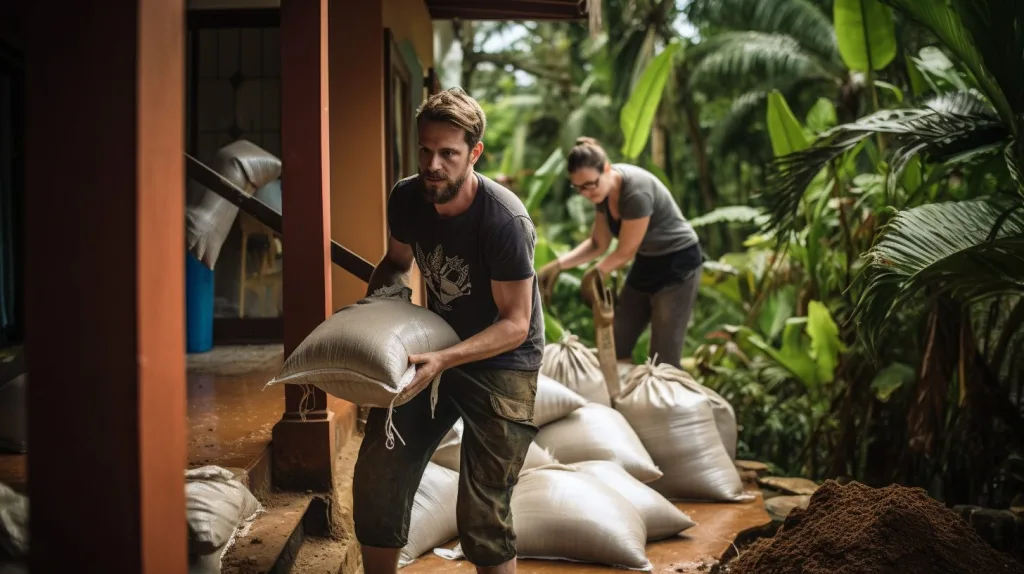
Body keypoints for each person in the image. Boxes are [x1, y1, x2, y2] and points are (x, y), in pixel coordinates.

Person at [353, 87, 544, 574]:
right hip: (430, 347)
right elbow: (395, 265)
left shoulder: (503, 221)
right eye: (424, 149)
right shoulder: (407, 198)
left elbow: (515, 325)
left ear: (474, 153)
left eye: (448, 153)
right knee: (379, 475)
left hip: (502, 363)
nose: (432, 164)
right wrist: (374, 321)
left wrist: (446, 359)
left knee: (483, 516)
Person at [537, 136, 703, 370]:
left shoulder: (635, 193)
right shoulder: (601, 193)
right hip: (647, 263)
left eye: (590, 184)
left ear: (606, 169)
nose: (586, 193)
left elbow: (626, 251)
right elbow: (597, 244)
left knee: (664, 358)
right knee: (615, 345)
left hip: (678, 264)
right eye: (579, 187)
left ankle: (671, 402)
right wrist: (558, 265)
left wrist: (595, 272)